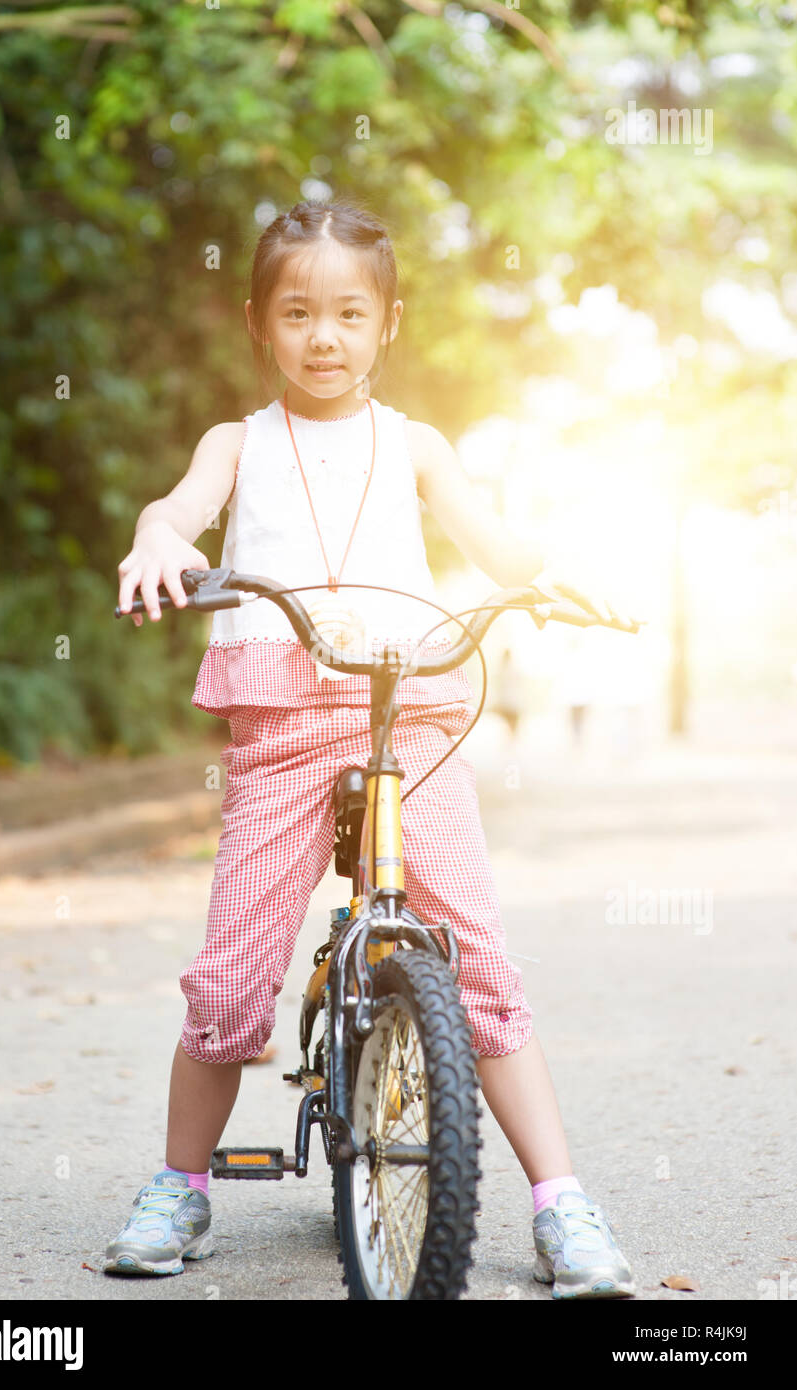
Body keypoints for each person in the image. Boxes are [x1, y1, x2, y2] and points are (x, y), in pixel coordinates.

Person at [108, 200, 637, 1298]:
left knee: (480, 961)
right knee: (231, 977)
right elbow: (178, 509)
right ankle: (179, 1182)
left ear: (386, 323)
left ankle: (560, 1204)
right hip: (285, 724)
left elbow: (498, 548)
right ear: (259, 322)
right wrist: (159, 538)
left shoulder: (415, 444)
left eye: (349, 313)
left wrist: (554, 574)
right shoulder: (237, 443)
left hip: (411, 712)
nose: (324, 335)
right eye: (297, 312)